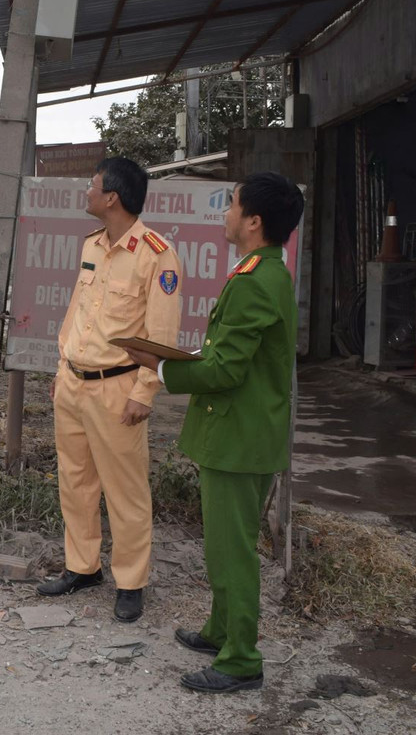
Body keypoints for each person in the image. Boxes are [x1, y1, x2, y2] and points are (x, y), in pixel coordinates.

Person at [123, 171, 303, 693]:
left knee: (233, 551)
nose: (226, 214)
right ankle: (221, 630)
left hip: (238, 439)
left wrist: (159, 368)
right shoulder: (265, 271)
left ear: (254, 221)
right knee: (224, 544)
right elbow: (231, 353)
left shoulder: (254, 282)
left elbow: (225, 371)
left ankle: (241, 660)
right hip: (240, 434)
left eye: (233, 205)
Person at [37, 156, 182, 623]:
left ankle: (131, 582)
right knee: (75, 483)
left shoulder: (156, 254)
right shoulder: (93, 245)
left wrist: (144, 392)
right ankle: (83, 567)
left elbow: (162, 334)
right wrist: (62, 367)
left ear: (112, 197)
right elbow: (77, 312)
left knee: (125, 491)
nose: (87, 191)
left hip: (118, 389)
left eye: (92, 185)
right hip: (74, 383)